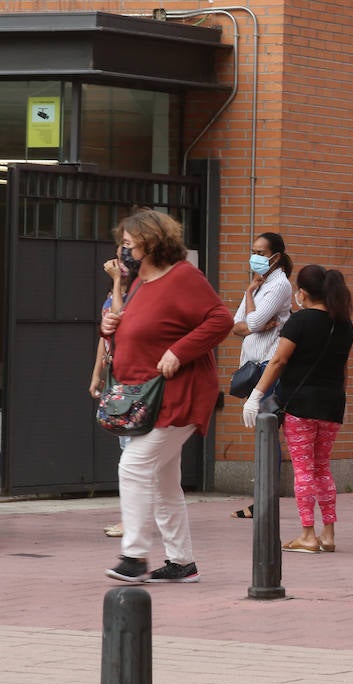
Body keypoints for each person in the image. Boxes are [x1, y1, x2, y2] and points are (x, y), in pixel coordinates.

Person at [102, 210, 233, 583]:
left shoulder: (183, 277)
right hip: (149, 395)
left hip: (180, 395)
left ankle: (134, 556)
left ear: (151, 243)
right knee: (162, 481)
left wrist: (180, 351)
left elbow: (219, 319)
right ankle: (181, 562)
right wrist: (111, 324)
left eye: (128, 244)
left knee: (134, 465)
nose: (122, 251)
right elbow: (142, 329)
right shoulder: (141, 281)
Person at [242, 265, 353, 553]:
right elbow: (342, 367)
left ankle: (307, 534)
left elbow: (279, 361)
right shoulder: (344, 324)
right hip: (332, 404)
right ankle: (328, 533)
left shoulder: (300, 321)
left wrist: (255, 396)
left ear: (303, 292)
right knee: (322, 468)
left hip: (301, 404)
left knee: (303, 470)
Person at [229, 232, 293, 520]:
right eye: (252, 250)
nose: (254, 256)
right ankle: (262, 501)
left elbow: (251, 321)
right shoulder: (258, 284)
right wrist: (248, 293)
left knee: (267, 434)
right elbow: (236, 325)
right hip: (253, 367)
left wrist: (252, 321)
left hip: (268, 367)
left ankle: (265, 501)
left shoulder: (279, 284)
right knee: (262, 435)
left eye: (260, 252)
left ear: (275, 257)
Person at [90, 244, 140, 539]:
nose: (116, 264)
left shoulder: (134, 293)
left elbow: (123, 325)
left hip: (131, 377)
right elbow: (106, 335)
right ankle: (131, 517)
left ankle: (132, 520)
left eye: (122, 261)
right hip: (114, 373)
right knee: (125, 448)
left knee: (130, 452)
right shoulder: (113, 295)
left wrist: (120, 283)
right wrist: (96, 373)